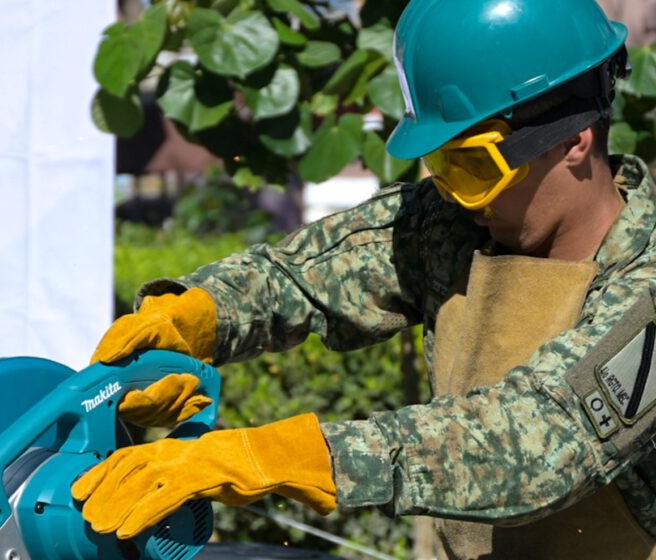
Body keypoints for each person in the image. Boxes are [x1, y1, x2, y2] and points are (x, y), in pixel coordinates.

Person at [72, 1, 656, 558]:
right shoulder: (455, 223)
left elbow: (534, 444)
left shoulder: (647, 281)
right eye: (442, 166)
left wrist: (282, 456)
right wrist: (197, 317)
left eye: (473, 167)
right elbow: (298, 276)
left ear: (572, 141)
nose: (456, 196)